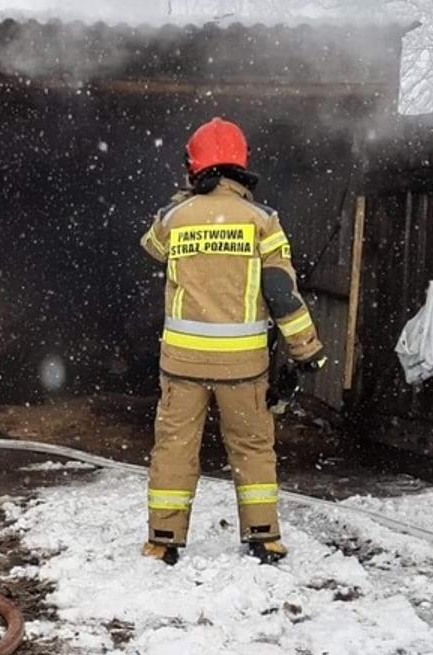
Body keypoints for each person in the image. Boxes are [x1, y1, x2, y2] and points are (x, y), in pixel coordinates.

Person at [139, 117, 327, 567]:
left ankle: (164, 539)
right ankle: (264, 537)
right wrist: (308, 351)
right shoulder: (263, 221)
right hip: (243, 366)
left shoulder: (172, 220)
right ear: (243, 165)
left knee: (175, 448)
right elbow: (282, 293)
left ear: (194, 165)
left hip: (183, 363)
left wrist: (184, 203)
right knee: (252, 448)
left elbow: (151, 246)